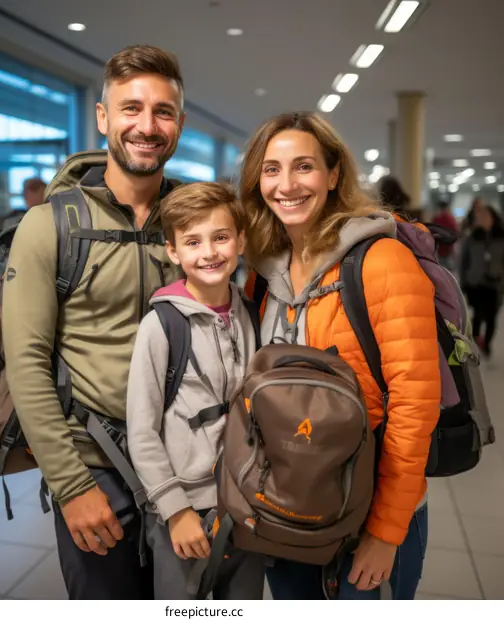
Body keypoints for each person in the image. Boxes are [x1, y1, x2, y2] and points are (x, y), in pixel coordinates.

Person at [2, 44, 186, 600]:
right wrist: (71, 485)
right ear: (103, 117)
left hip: (188, 466)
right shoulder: (47, 226)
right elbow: (27, 364)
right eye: (131, 108)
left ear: (180, 122)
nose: (147, 126)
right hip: (96, 468)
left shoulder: (196, 220)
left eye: (163, 111)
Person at [241, 111, 441, 600]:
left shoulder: (381, 262)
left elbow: (416, 406)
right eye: (271, 169)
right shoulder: (263, 273)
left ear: (333, 175)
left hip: (366, 510)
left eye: (303, 167)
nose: (286, 184)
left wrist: (385, 532)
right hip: (286, 508)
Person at [126, 182, 265, 600]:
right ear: (173, 252)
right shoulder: (161, 325)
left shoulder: (249, 312)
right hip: (185, 509)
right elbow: (142, 430)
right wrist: (176, 510)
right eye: (193, 242)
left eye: (221, 237)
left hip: (244, 503)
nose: (209, 252)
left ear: (240, 241)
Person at [460, 204, 504, 360]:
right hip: (475, 283)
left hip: (494, 283)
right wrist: (462, 282)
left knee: (492, 317)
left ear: (493, 219)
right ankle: (476, 343)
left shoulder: (500, 238)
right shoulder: (470, 238)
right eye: (480, 218)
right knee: (477, 315)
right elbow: (463, 261)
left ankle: (487, 342)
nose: (483, 220)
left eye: (486, 217)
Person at [432, 200, 458, 269]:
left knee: (441, 266)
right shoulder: (450, 219)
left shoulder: (437, 218)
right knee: (449, 266)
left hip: (440, 246)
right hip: (448, 246)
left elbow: (432, 231)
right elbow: (455, 231)